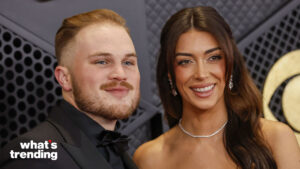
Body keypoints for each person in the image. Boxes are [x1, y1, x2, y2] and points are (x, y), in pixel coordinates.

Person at [133, 6, 300, 169]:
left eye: (213, 58)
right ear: (170, 74)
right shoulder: (149, 158)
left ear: (230, 64)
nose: (201, 73)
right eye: (186, 61)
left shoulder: (275, 138)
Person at [0, 9, 140, 169]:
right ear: (65, 78)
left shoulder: (120, 152)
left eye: (128, 62)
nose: (120, 74)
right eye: (102, 62)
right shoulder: (30, 156)